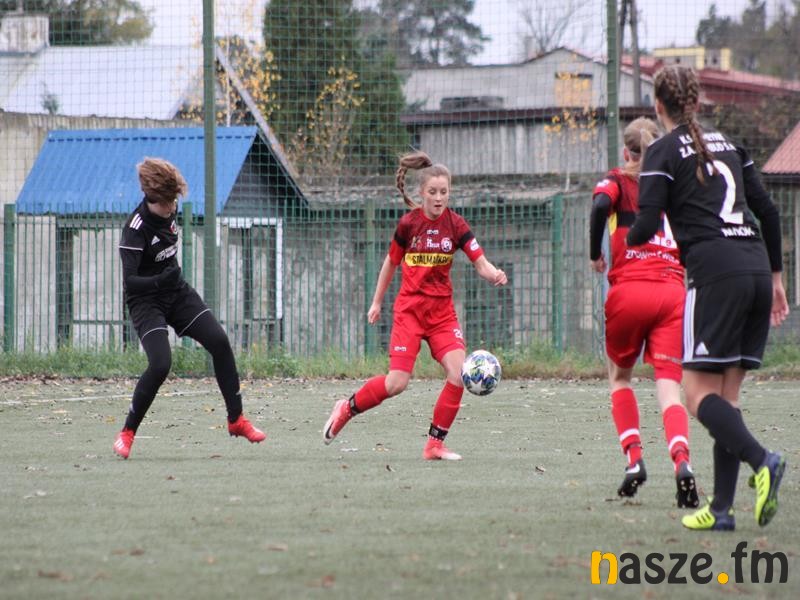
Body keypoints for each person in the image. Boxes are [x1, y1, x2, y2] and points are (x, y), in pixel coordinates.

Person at [626, 65, 789, 531]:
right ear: (697, 103)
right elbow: (768, 212)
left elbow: (644, 225)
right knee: (726, 399)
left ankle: (763, 460)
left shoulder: (660, 151)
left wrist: (621, 238)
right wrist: (777, 279)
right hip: (756, 268)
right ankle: (721, 511)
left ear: (658, 105)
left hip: (715, 275)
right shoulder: (731, 146)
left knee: (697, 396)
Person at [322, 151, 508, 460]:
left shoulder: (456, 225)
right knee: (396, 383)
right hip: (409, 312)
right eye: (433, 192)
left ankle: (434, 444)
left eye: (444, 192)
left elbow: (481, 262)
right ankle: (346, 408)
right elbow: (390, 263)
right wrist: (376, 302)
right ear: (421, 192)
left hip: (441, 315)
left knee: (458, 374)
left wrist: (494, 274)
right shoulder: (409, 224)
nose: (439, 198)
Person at [113, 157, 265, 459]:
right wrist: (159, 281)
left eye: (175, 201)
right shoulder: (134, 230)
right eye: (168, 202)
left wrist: (169, 281)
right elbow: (130, 283)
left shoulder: (171, 210)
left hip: (177, 292)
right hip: (146, 302)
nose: (173, 207)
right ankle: (127, 432)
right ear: (152, 198)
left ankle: (236, 420)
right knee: (160, 364)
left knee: (219, 342)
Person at [590, 117, 698, 508]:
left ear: (626, 151)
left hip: (629, 292)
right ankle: (682, 461)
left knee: (620, 377)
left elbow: (600, 204)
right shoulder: (675, 186)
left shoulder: (618, 180)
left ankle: (634, 458)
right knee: (669, 386)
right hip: (672, 293)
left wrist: (595, 253)